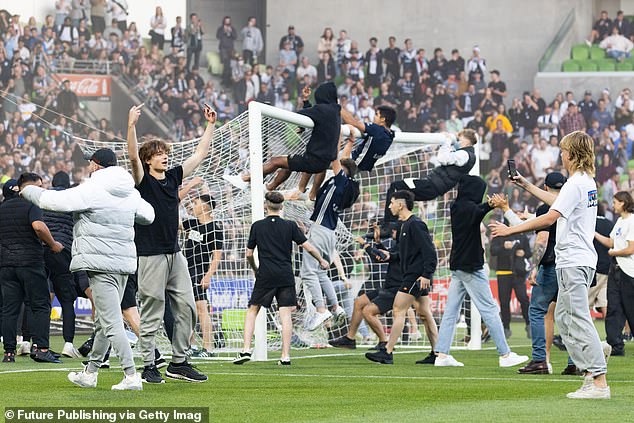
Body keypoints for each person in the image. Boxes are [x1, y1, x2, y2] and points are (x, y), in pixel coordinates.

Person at [490, 131, 611, 399]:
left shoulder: (575, 183)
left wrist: (512, 230)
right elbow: (558, 203)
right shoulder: (585, 181)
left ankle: (598, 380)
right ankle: (595, 350)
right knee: (564, 318)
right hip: (579, 259)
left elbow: (549, 219)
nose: (561, 155)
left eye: (563, 150)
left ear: (572, 153)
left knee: (575, 317)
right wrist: (526, 185)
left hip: (573, 260)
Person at [21, 149, 154, 390]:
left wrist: (28, 190)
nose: (89, 167)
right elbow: (148, 215)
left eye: (91, 163)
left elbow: (52, 201)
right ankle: (90, 373)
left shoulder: (92, 189)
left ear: (96, 166)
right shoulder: (129, 191)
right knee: (104, 322)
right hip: (124, 264)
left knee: (112, 321)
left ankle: (131, 374)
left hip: (100, 264)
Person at [127, 103, 216, 384]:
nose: (164, 157)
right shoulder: (142, 181)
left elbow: (200, 155)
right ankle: (150, 365)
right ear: (148, 159)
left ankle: (179, 363)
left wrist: (210, 125)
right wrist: (131, 126)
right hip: (150, 255)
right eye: (158, 154)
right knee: (152, 310)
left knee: (188, 306)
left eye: (165, 153)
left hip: (175, 254)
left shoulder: (175, 176)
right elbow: (131, 156)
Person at [431, 176, 528, 368]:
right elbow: (476, 211)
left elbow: (476, 211)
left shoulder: (456, 206)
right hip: (470, 266)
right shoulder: (466, 208)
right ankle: (505, 354)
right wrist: (493, 204)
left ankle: (442, 355)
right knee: (490, 309)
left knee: (451, 312)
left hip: (459, 266)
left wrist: (491, 204)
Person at [233, 191, 328, 366]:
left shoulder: (257, 226)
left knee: (253, 311)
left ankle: (246, 349)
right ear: (282, 206)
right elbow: (308, 246)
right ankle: (285, 356)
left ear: (265, 205)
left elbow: (248, 254)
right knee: (285, 315)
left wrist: (256, 269)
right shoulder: (290, 226)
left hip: (266, 274)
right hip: (285, 274)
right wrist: (321, 260)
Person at [491, 173, 567, 374]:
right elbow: (527, 224)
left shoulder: (547, 209)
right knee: (569, 315)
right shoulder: (572, 207)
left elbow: (541, 240)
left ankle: (540, 359)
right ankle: (575, 361)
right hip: (573, 265)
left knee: (537, 310)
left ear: (545, 186)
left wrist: (534, 267)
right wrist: (509, 211)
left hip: (552, 266)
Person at [365, 191, 437, 365]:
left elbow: (429, 252)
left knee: (398, 310)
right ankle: (438, 353)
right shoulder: (404, 225)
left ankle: (387, 352)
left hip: (415, 276)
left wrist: (426, 274)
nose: (389, 206)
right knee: (425, 314)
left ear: (401, 204)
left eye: (391, 203)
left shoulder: (416, 224)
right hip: (414, 275)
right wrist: (390, 256)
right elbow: (404, 254)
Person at [227, 83, 341, 193]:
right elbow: (311, 117)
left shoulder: (322, 110)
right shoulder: (335, 111)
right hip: (323, 162)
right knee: (288, 164)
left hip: (313, 160)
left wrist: (301, 123)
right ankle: (269, 187)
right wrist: (305, 101)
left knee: (274, 161)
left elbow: (300, 115)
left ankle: (244, 179)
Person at [0, 176, 63, 364]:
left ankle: (8, 352)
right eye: (39, 186)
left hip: (6, 266)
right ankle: (42, 349)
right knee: (40, 305)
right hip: (30, 263)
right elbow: (38, 226)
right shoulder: (31, 206)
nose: (42, 190)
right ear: (26, 189)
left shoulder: (1, 209)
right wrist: (53, 244)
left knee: (9, 310)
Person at [302, 152, 359, 331]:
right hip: (329, 232)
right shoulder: (344, 185)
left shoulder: (341, 181)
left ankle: (321, 309)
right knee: (320, 273)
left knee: (308, 272)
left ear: (344, 171)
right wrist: (349, 141)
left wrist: (331, 133)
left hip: (320, 229)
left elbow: (334, 157)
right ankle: (335, 306)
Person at [382, 129, 477, 223]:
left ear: (467, 141)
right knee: (403, 196)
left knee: (396, 187)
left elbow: (443, 158)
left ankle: (389, 224)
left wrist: (447, 141)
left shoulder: (464, 155)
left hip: (431, 185)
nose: (457, 141)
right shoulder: (466, 154)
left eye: (460, 138)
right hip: (432, 186)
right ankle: (395, 225)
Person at [42, 171, 81, 358]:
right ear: (68, 184)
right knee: (66, 300)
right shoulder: (71, 200)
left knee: (40, 299)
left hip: (42, 251)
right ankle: (68, 344)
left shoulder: (43, 199)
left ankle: (35, 343)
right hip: (63, 251)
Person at [181, 193, 222, 357]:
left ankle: (208, 347)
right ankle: (190, 345)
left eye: (196, 203)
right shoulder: (190, 223)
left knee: (201, 308)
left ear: (205, 206)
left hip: (200, 272)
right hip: (184, 270)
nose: (193, 206)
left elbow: (217, 256)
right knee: (186, 309)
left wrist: (208, 276)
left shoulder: (215, 228)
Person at [594, 191, 634, 356]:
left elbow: (631, 248)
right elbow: (611, 242)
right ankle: (615, 344)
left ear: (623, 203)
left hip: (628, 271)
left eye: (616, 202)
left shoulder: (632, 221)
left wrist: (614, 253)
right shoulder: (619, 221)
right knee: (613, 308)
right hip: (615, 269)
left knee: (630, 309)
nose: (613, 205)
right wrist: (594, 234)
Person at [217, 16, 237, 87]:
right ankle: (226, 81)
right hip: (223, 48)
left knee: (230, 65)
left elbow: (235, 37)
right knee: (226, 64)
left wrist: (231, 31)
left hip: (230, 48)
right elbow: (218, 36)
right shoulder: (221, 28)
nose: (227, 22)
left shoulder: (232, 28)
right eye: (226, 21)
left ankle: (225, 79)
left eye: (228, 21)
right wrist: (224, 31)